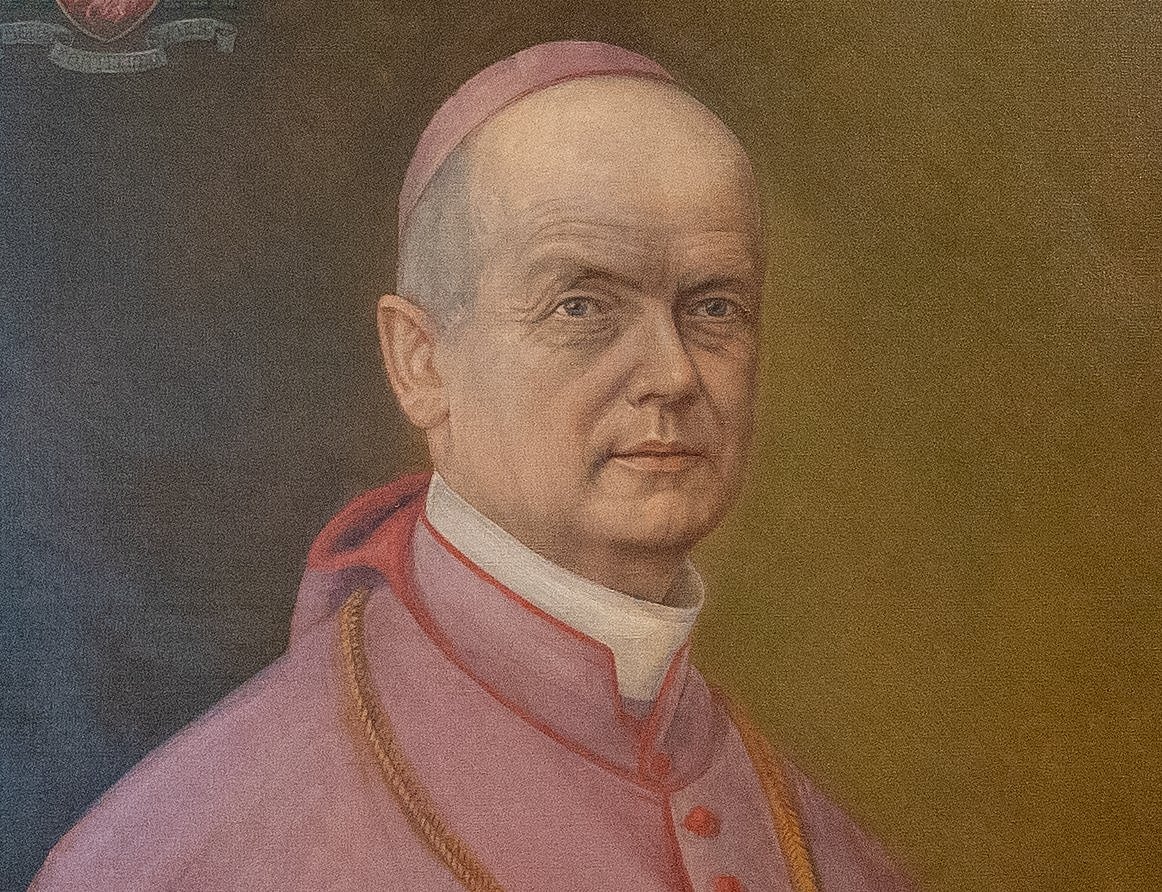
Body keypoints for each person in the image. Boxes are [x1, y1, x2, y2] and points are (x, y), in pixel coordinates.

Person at [32, 41, 912, 891]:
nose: (675, 374)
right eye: (582, 306)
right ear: (421, 363)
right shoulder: (182, 845)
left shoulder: (823, 847)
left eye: (714, 307)